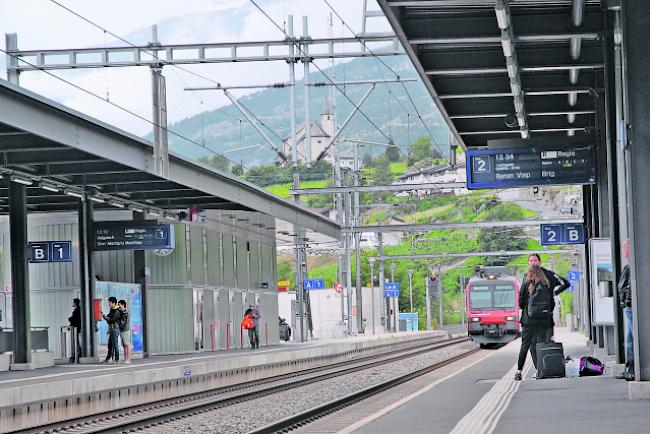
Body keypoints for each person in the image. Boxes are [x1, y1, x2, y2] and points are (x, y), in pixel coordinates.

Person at [515, 264, 555, 381]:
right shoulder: (546, 284)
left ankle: (519, 371)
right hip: (542, 320)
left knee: (525, 345)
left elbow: (521, 302)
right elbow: (551, 303)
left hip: (528, 320)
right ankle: (541, 370)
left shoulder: (527, 283)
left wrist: (528, 309)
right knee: (541, 344)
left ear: (530, 273)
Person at [525, 253, 570, 341]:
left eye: (535, 260)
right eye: (531, 261)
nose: (533, 263)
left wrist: (555, 292)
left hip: (540, 313)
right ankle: (545, 352)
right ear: (528, 263)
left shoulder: (548, 275)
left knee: (539, 339)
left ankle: (544, 352)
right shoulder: (527, 277)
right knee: (544, 339)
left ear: (540, 262)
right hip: (542, 312)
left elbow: (566, 283)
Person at [616, 239, 634, 381]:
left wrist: (625, 302)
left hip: (630, 306)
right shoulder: (630, 266)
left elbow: (623, 287)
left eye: (625, 248)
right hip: (629, 305)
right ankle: (630, 367)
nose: (624, 251)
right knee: (629, 338)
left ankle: (632, 368)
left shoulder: (631, 266)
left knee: (632, 338)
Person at [100, 297, 122, 364]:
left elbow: (111, 320)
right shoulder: (112, 310)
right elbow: (109, 318)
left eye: (109, 302)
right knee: (110, 345)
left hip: (115, 330)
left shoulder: (116, 311)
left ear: (113, 303)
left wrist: (104, 316)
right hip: (112, 330)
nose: (108, 304)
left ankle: (116, 359)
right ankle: (108, 359)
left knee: (115, 345)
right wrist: (105, 316)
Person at [118, 299, 131, 364]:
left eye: (119, 305)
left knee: (127, 345)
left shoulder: (125, 312)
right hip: (122, 330)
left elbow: (123, 322)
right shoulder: (122, 312)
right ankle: (125, 359)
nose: (118, 306)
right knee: (124, 345)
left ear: (123, 305)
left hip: (125, 330)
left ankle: (128, 359)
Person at [67, 298, 81, 363]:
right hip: (77, 328)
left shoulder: (77, 310)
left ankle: (77, 355)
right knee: (76, 342)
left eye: (73, 302)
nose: (72, 303)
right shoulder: (78, 309)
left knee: (76, 342)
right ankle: (77, 355)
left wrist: (69, 319)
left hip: (76, 328)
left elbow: (74, 319)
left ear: (75, 303)